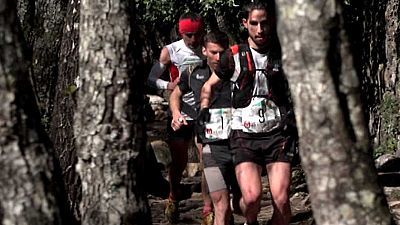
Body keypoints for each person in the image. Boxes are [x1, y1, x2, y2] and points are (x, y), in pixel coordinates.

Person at [199, 1, 297, 225]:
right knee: (252, 199)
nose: (260, 29)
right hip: (244, 135)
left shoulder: (284, 53)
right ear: (245, 24)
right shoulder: (233, 56)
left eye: (264, 23)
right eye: (254, 23)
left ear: (271, 22)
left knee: (282, 202)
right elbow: (209, 86)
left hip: (278, 135)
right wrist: (204, 111)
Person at [147, 12, 214, 225]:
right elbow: (152, 78)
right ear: (181, 33)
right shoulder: (170, 51)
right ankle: (173, 197)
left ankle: (208, 209)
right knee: (179, 162)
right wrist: (168, 85)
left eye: (198, 34)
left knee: (208, 161)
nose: (194, 39)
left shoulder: (208, 48)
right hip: (181, 112)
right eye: (189, 35)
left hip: (206, 112)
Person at [170, 30, 240, 225]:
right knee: (220, 201)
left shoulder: (239, 70)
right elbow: (176, 93)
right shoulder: (193, 72)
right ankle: (210, 210)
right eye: (213, 52)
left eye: (222, 52)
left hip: (240, 143)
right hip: (209, 140)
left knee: (245, 201)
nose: (218, 57)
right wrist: (176, 113)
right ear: (204, 51)